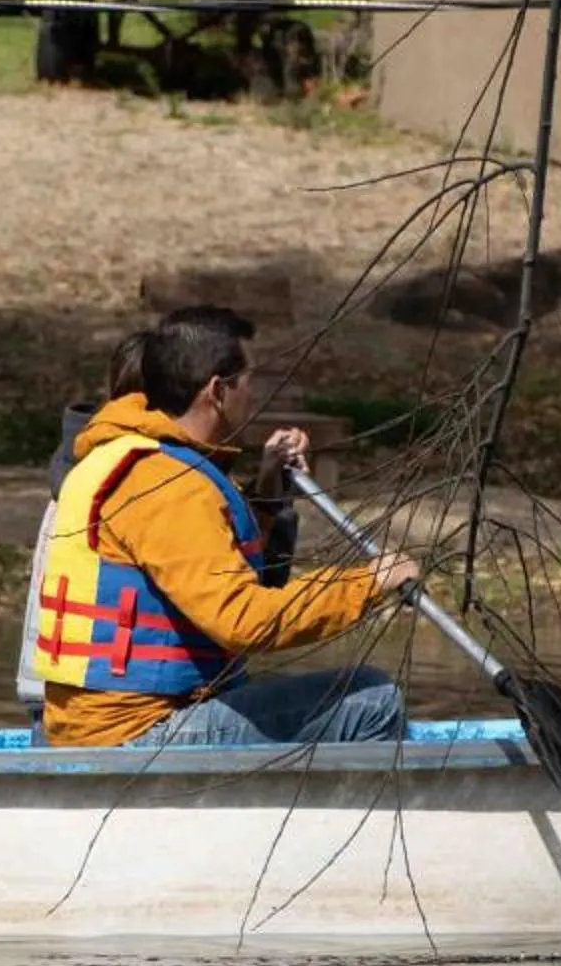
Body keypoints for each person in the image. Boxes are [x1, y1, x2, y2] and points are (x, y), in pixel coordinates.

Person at [33, 307, 418, 749]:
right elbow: (244, 620)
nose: (255, 395)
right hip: (133, 733)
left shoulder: (124, 455)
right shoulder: (168, 484)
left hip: (99, 721)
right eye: (249, 381)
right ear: (217, 390)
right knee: (375, 700)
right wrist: (369, 583)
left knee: (258, 688)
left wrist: (269, 484)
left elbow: (197, 553)